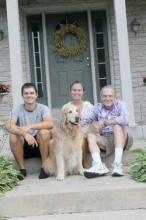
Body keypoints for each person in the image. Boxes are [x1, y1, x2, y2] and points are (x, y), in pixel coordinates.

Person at [82, 85, 133, 178]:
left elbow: (125, 119)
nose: (107, 98)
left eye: (110, 96)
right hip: (105, 140)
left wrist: (106, 122)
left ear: (115, 97)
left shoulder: (120, 105)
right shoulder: (97, 107)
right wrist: (93, 124)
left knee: (117, 126)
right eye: (104, 96)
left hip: (122, 137)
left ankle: (117, 164)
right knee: (90, 134)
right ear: (101, 98)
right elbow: (84, 121)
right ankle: (98, 165)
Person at [5, 82, 54, 179]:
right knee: (13, 136)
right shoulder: (17, 109)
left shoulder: (43, 108)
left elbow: (50, 123)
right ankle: (22, 170)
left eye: (31, 93)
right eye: (26, 93)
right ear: (22, 95)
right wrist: (24, 133)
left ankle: (44, 167)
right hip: (24, 147)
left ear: (36, 95)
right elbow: (8, 125)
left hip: (41, 146)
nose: (29, 95)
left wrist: (30, 126)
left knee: (44, 132)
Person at [62, 81, 93, 167]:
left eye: (79, 90)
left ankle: (85, 163)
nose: (77, 92)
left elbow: (94, 123)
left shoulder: (89, 106)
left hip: (85, 134)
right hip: (70, 134)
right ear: (70, 92)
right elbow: (63, 123)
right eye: (74, 90)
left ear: (83, 92)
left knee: (81, 137)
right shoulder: (65, 107)